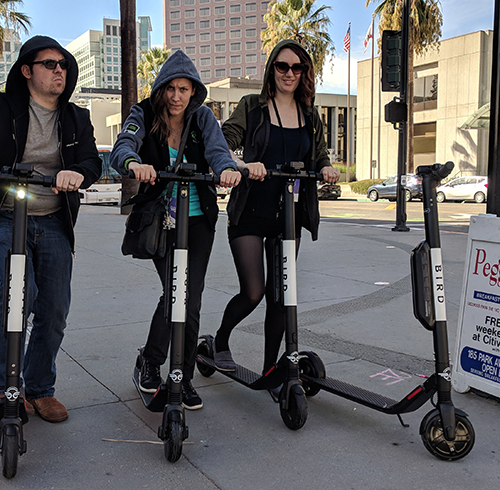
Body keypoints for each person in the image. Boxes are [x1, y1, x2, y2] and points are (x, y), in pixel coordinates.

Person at [0, 35, 102, 423]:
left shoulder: (77, 117)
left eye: (63, 64)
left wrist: (77, 172)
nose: (59, 70)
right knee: (17, 293)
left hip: (54, 220)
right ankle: (2, 387)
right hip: (6, 216)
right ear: (27, 70)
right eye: (50, 64)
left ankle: (41, 388)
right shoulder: (2, 107)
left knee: (55, 308)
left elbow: (93, 161)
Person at [111, 50, 241, 410]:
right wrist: (133, 162)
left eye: (184, 89)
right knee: (175, 293)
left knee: (191, 297)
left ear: (194, 91)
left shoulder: (203, 119)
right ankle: (151, 360)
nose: (176, 96)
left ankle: (180, 376)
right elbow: (123, 146)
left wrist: (227, 169)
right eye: (171, 88)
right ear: (161, 89)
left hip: (198, 222)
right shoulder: (143, 113)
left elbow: (218, 153)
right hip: (161, 221)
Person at [212, 40, 340, 378]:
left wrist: (327, 168)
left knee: (281, 296)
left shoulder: (309, 114)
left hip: (288, 216)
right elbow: (223, 140)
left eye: (296, 68)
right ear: (272, 69)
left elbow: (320, 153)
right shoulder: (252, 105)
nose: (289, 73)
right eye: (282, 66)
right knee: (254, 292)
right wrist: (242, 164)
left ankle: (271, 369)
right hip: (251, 212)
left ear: (304, 73)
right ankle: (219, 340)